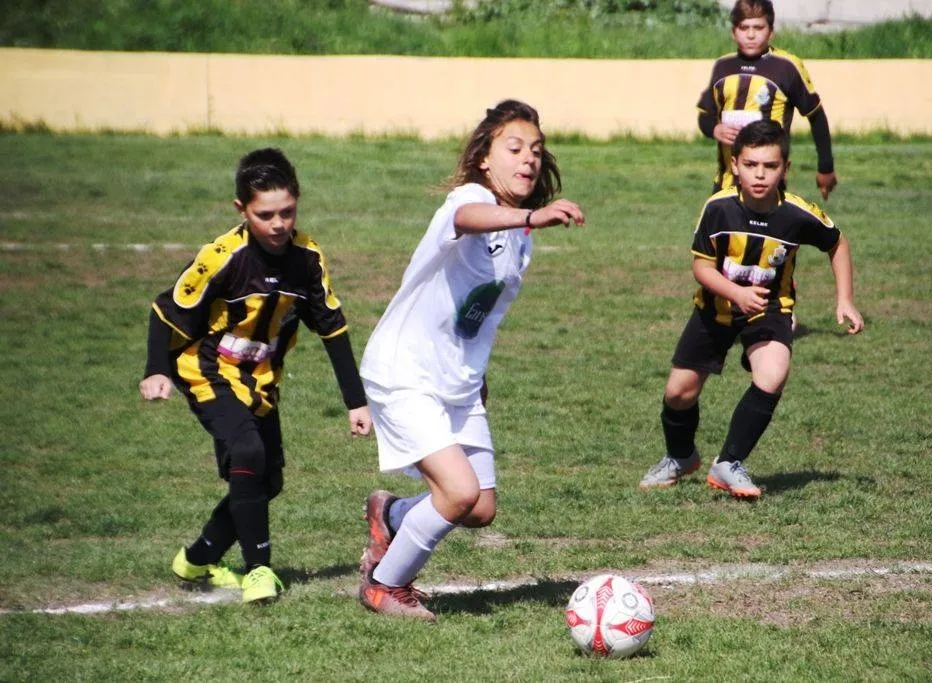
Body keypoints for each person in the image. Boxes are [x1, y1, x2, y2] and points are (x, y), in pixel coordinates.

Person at [356, 99, 585, 621]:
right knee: (456, 492)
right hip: (404, 371)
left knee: (479, 507)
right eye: (514, 148)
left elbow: (476, 313)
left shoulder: (519, 238)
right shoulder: (470, 199)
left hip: (456, 380)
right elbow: (466, 218)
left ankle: (389, 513)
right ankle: (384, 585)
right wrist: (535, 214)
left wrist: (476, 373)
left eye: (536, 150)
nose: (528, 159)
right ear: (485, 156)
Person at [139, 148, 372, 604]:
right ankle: (258, 570)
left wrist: (355, 401)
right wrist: (156, 369)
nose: (279, 224)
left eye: (288, 211)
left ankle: (197, 559)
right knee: (247, 450)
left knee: (268, 482)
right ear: (241, 211)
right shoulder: (222, 258)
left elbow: (332, 328)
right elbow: (165, 312)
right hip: (208, 372)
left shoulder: (306, 259)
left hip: (261, 380)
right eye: (265, 215)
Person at [638, 120, 863, 497]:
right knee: (679, 394)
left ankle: (729, 463)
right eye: (751, 165)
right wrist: (736, 294)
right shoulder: (718, 208)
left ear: (786, 169)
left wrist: (845, 299)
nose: (760, 174)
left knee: (773, 373)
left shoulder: (797, 213)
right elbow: (701, 267)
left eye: (770, 166)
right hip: (715, 309)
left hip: (769, 309)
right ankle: (680, 456)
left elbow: (837, 244)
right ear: (735, 166)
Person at [697, 0, 838, 200]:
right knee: (708, 232)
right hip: (724, 185)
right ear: (733, 32)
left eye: (758, 27)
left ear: (771, 32)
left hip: (769, 187)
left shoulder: (786, 67)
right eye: (744, 27)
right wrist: (715, 129)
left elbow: (816, 116)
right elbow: (705, 116)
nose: (751, 34)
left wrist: (826, 167)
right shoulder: (722, 67)